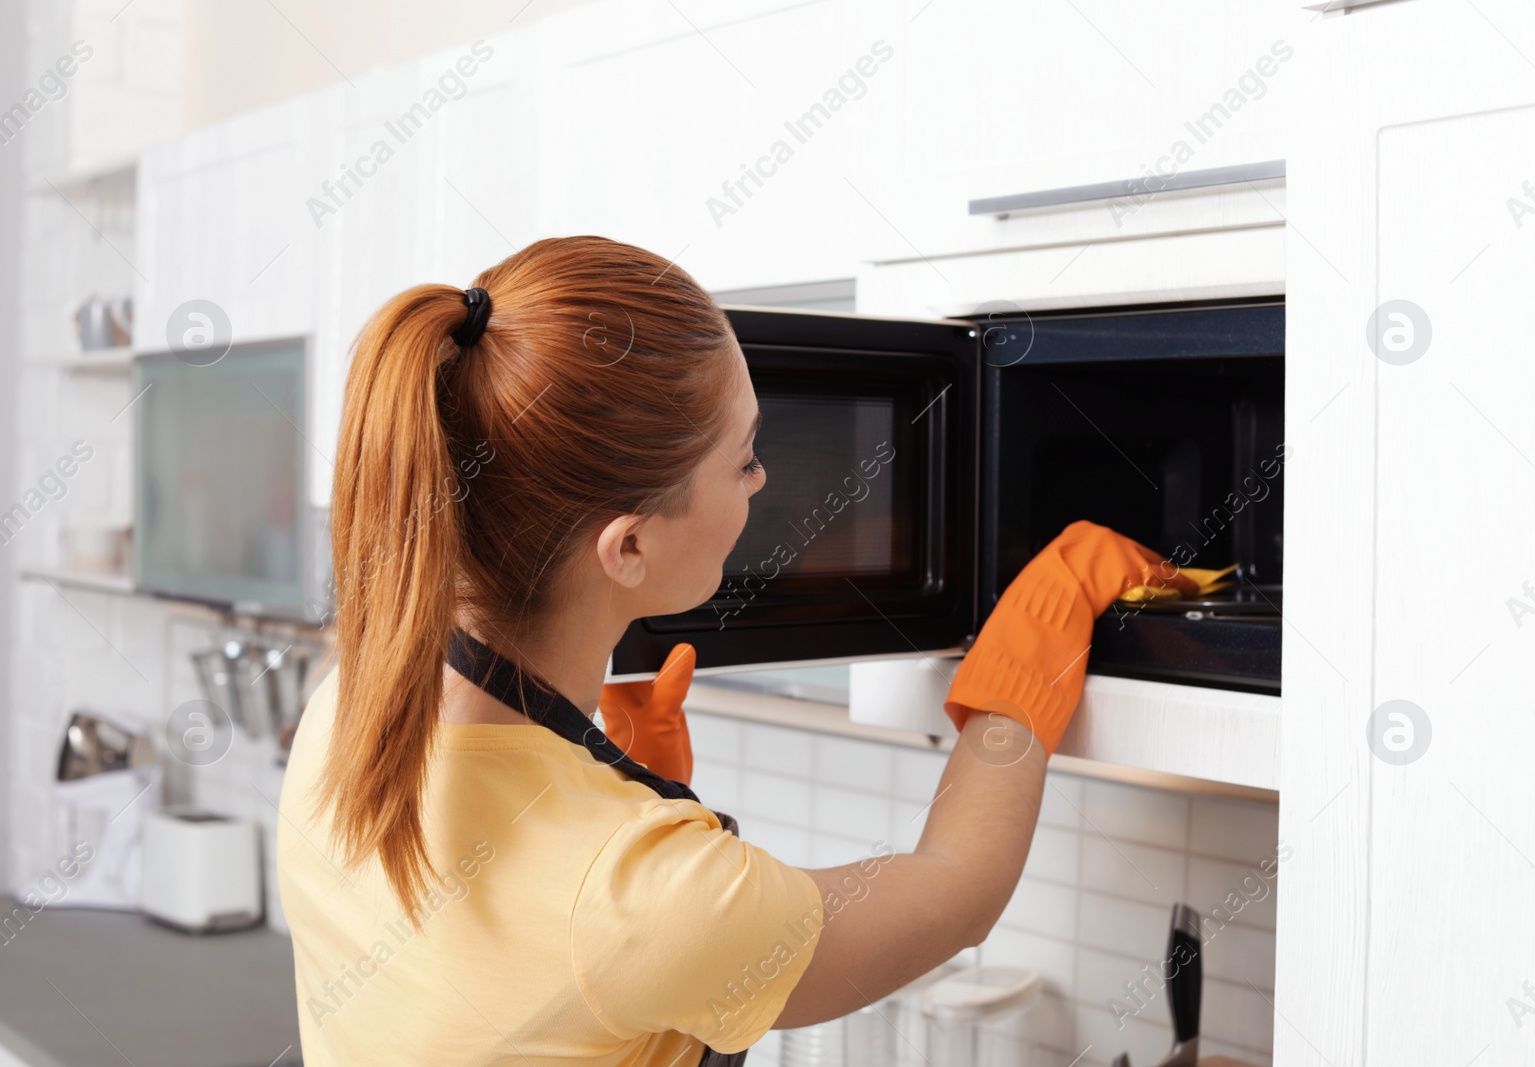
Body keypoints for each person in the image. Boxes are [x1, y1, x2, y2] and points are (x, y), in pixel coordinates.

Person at [275, 235, 1194, 1065]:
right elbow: (958, 892)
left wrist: (609, 777)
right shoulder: (645, 896)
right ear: (628, 547)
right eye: (744, 458)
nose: (762, 484)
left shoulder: (347, 709)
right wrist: (1038, 626)